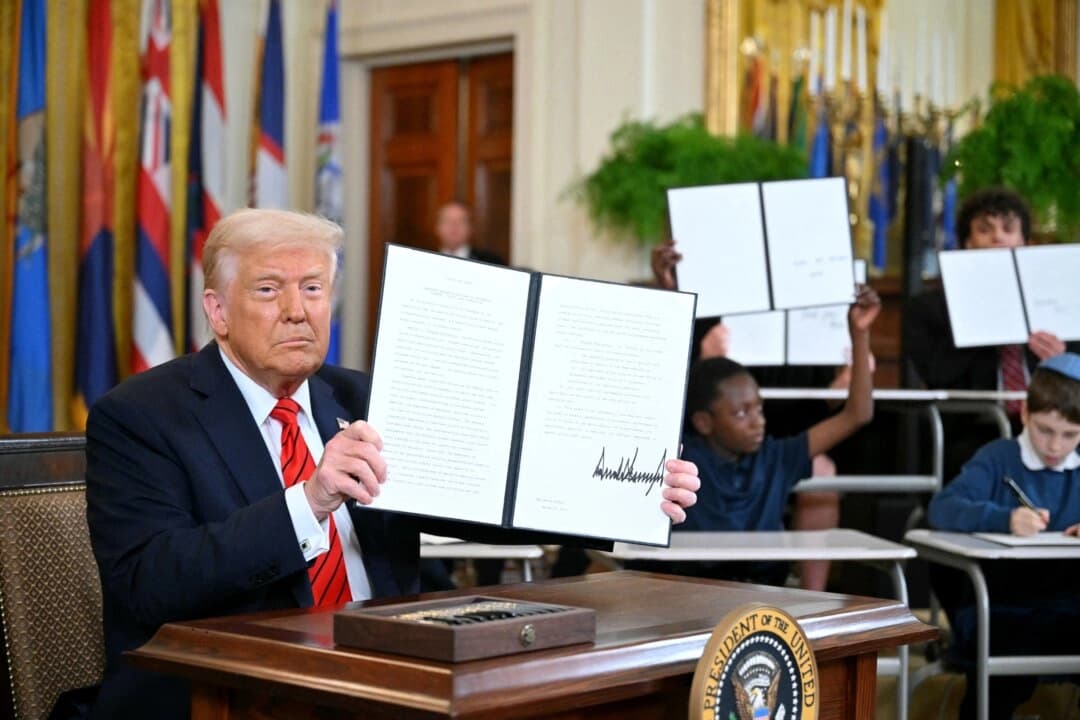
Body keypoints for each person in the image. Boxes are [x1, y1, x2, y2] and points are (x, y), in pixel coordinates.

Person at [84, 208, 701, 720]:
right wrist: (312, 499)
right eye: (269, 289)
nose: (297, 310)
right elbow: (149, 581)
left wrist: (624, 495)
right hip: (230, 691)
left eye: (314, 288)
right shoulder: (140, 416)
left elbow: (485, 497)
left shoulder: (365, 397)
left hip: (393, 679)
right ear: (217, 311)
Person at [628, 285, 879, 586]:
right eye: (741, 413)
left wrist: (860, 334)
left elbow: (857, 415)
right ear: (704, 422)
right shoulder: (684, 461)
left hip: (759, 592)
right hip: (685, 588)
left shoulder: (777, 457)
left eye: (759, 409)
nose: (758, 422)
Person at [927, 352, 1080, 720]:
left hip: (1067, 604)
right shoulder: (998, 458)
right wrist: (1005, 518)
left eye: (1070, 435)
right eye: (1045, 430)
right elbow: (942, 508)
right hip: (1002, 606)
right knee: (1002, 680)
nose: (1055, 446)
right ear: (1024, 415)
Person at [434, 200, 504, 265]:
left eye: (461, 221)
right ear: (437, 227)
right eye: (447, 221)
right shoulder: (425, 262)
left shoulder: (491, 262)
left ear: (471, 228)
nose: (454, 226)